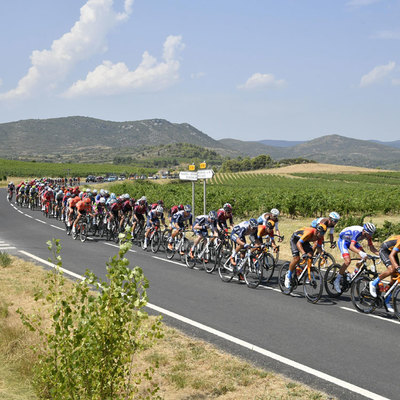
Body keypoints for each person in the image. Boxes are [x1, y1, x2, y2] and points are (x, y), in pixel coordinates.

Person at [333, 223, 379, 293]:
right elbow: (351, 246)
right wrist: (360, 252)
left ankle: (354, 274)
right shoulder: (357, 232)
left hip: (352, 240)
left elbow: (372, 248)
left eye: (371, 234)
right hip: (343, 240)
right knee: (348, 261)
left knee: (364, 257)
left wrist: (380, 255)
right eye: (369, 234)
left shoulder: (368, 234)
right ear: (364, 231)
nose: (370, 236)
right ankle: (337, 280)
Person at [284, 223, 327, 289]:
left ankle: (306, 273)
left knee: (310, 255)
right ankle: (288, 275)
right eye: (321, 233)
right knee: (296, 258)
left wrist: (322, 254)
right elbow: (299, 243)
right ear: (317, 231)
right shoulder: (309, 232)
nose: (322, 235)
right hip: (296, 240)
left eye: (323, 233)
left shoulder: (320, 237)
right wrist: (303, 253)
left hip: (305, 241)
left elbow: (319, 247)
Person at [369, 234, 400, 312]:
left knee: (395, 279)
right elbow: (391, 256)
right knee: (392, 270)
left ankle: (386, 301)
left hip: (393, 251)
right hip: (385, 250)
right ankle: (373, 282)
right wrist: (396, 266)